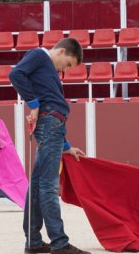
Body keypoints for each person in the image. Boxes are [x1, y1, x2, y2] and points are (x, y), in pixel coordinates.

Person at [9, 38, 90, 254]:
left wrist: (66, 146)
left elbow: (53, 112)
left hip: (52, 126)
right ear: (61, 51)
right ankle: (59, 243)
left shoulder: (46, 66)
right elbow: (15, 74)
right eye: (68, 63)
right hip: (50, 123)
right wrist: (33, 104)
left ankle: (33, 242)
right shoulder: (39, 55)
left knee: (37, 185)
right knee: (47, 186)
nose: (66, 69)